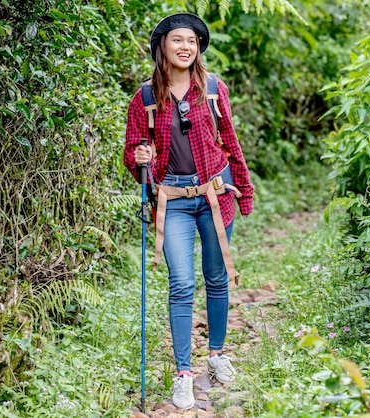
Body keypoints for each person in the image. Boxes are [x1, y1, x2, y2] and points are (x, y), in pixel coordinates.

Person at [123, 13, 254, 410]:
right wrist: (138, 156)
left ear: (198, 49)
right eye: (178, 40)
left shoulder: (214, 89)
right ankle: (183, 374)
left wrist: (244, 190)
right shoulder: (145, 97)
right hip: (173, 200)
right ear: (162, 46)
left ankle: (216, 355)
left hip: (215, 194)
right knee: (180, 284)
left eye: (192, 41)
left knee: (216, 278)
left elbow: (230, 140)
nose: (185, 46)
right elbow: (133, 153)